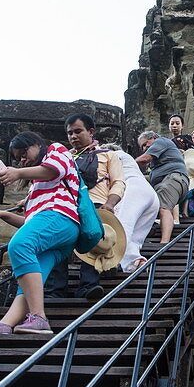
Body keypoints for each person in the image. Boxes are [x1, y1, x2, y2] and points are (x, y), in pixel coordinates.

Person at [0, 132, 81, 335]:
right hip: (59, 231)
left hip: (61, 217)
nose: (22, 159)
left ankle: (39, 317)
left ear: (36, 144)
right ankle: (5, 324)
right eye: (18, 158)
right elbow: (32, 224)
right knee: (31, 279)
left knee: (19, 246)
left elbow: (53, 170)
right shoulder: (36, 189)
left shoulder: (56, 149)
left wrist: (17, 172)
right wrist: (2, 215)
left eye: (23, 153)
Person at [45, 113, 126, 302]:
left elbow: (118, 182)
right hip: (65, 205)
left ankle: (88, 285)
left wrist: (110, 204)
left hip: (96, 204)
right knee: (59, 243)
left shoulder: (108, 155)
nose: (73, 136)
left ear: (91, 132)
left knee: (94, 242)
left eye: (78, 131)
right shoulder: (64, 158)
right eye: (70, 133)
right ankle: (56, 289)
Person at [103, 144, 160, 273]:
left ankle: (112, 261)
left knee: (122, 225)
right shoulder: (128, 159)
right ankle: (133, 263)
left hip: (132, 187)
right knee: (135, 236)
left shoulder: (113, 155)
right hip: (149, 193)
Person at [136, 131, 189, 244]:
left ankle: (164, 243)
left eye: (146, 144)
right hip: (167, 181)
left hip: (173, 178)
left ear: (154, 138)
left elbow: (145, 159)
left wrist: (126, 164)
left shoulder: (161, 141)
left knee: (163, 208)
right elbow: (152, 176)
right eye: (142, 147)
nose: (145, 148)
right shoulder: (160, 161)